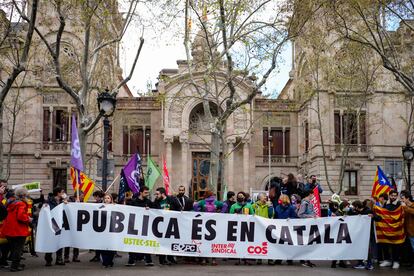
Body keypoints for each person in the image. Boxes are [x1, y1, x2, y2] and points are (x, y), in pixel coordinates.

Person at [0, 188, 33, 272]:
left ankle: (16, 264)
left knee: (13, 248)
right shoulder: (21, 204)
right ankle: (14, 266)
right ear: (24, 195)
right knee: (18, 249)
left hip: (8, 229)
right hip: (18, 230)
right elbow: (20, 216)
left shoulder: (10, 202)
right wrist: (28, 219)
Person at [125, 186, 154, 267]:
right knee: (132, 243)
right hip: (134, 226)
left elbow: (155, 210)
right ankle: (131, 260)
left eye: (148, 192)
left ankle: (148, 260)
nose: (147, 194)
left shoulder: (149, 202)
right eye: (145, 192)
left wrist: (150, 209)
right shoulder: (134, 201)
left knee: (146, 243)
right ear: (141, 193)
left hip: (145, 226)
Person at [44, 187, 67, 266]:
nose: (63, 193)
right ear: (58, 193)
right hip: (52, 223)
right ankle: (48, 259)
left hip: (60, 223)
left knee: (60, 241)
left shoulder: (62, 201)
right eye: (62, 192)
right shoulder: (49, 201)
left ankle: (59, 259)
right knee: (50, 240)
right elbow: (45, 212)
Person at [379, 190, 402, 269]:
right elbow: (383, 213)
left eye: (395, 196)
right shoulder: (386, 204)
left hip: (396, 228)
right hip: (386, 228)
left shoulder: (399, 204)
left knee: (395, 245)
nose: (393, 197)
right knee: (385, 244)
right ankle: (387, 260)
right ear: (389, 196)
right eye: (392, 195)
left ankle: (396, 261)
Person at [154, 187, 176, 265]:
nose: (156, 195)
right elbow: (153, 210)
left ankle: (171, 258)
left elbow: (177, 208)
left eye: (157, 194)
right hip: (161, 225)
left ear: (162, 194)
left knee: (170, 241)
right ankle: (162, 260)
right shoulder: (156, 201)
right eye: (155, 194)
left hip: (171, 223)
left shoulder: (171, 199)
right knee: (162, 242)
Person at [273, 194, 297, 266]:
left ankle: (289, 259)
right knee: (280, 244)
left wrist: (291, 219)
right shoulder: (277, 207)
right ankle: (279, 259)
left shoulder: (291, 208)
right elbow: (275, 218)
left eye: (281, 198)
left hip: (289, 228)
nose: (279, 199)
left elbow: (296, 218)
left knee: (289, 244)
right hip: (280, 228)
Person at [297, 190, 316, 268]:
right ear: (310, 194)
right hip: (306, 225)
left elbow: (311, 212)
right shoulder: (304, 203)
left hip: (309, 224)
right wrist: (311, 216)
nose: (313, 196)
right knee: (305, 243)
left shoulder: (310, 203)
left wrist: (314, 215)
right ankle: (304, 260)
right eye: (313, 194)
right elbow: (300, 214)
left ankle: (308, 260)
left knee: (309, 243)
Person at [101, 194, 116, 268]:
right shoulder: (100, 206)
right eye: (105, 198)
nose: (106, 199)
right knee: (103, 247)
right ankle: (105, 262)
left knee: (111, 247)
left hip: (111, 231)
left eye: (108, 198)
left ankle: (110, 261)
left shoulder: (115, 207)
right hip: (102, 231)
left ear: (111, 199)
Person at [90, 190, 105, 262]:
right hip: (97, 224)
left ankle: (100, 256)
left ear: (98, 196)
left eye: (95, 197)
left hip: (103, 225)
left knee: (101, 241)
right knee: (97, 241)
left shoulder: (103, 203)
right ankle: (97, 255)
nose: (94, 198)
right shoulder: (96, 204)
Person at [400, 190, 414, 270]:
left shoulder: (411, 205)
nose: (402, 200)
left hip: (413, 231)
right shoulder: (404, 207)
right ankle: (411, 263)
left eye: (403, 198)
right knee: (410, 249)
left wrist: (405, 207)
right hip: (407, 232)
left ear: (408, 198)